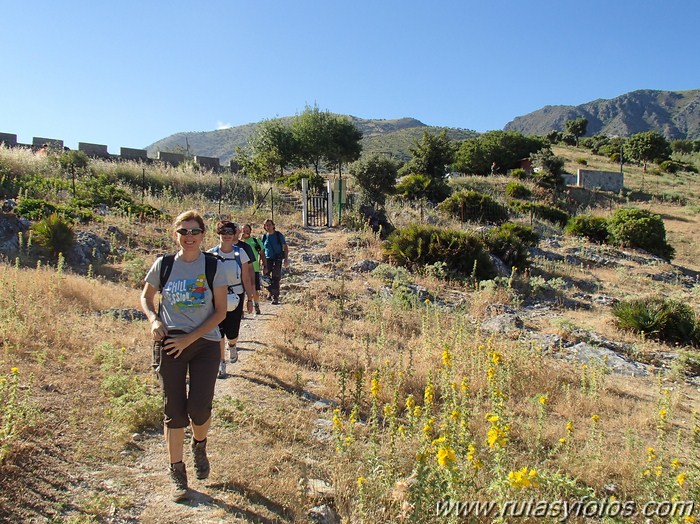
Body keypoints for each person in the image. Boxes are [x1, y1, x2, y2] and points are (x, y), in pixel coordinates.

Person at [140, 210, 228, 502]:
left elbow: (220, 311)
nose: (189, 237)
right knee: (174, 411)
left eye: (194, 232)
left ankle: (199, 444)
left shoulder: (214, 266)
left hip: (204, 343)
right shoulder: (163, 264)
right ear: (174, 234)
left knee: (199, 409)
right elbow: (146, 296)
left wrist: (191, 338)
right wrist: (154, 319)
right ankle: (177, 473)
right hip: (170, 342)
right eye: (183, 231)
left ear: (203, 235)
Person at [207, 221, 255, 378]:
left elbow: (246, 278)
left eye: (230, 233)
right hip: (216, 296)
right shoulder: (210, 254)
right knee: (218, 331)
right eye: (223, 232)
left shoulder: (240, 253)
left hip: (237, 294)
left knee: (232, 330)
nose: (227, 236)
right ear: (218, 234)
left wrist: (250, 299)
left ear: (234, 234)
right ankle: (221, 363)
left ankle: (232, 345)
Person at [242, 224, 267, 315]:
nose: (245, 231)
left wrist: (265, 266)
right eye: (243, 230)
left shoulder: (255, 241)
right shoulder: (238, 242)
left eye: (247, 229)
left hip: (254, 268)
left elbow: (262, 254)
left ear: (250, 230)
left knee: (254, 288)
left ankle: (256, 305)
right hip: (241, 269)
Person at [262, 219, 288, 305]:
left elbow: (285, 247)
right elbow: (262, 250)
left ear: (273, 225)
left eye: (269, 225)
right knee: (265, 278)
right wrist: (260, 261)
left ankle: (275, 297)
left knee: (276, 278)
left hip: (277, 259)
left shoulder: (278, 235)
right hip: (267, 259)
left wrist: (286, 259)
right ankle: (270, 291)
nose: (268, 227)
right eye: (266, 225)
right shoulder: (264, 237)